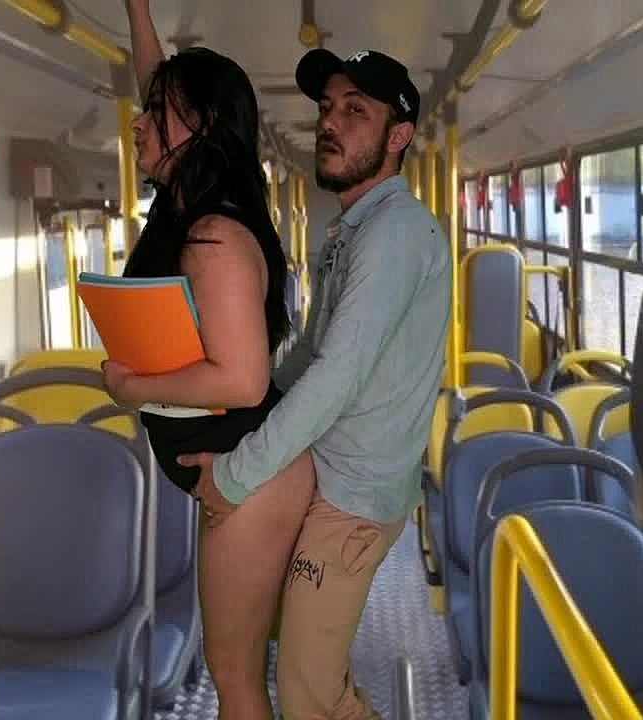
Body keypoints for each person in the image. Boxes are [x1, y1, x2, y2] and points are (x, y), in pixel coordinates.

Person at [177, 47, 452, 719]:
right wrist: (248, 411)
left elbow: (337, 375)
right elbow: (311, 353)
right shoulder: (353, 230)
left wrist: (236, 475)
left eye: (356, 111)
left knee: (309, 698)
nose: (330, 122)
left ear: (398, 136)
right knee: (308, 674)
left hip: (353, 500)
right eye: (328, 108)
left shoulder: (394, 233)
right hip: (327, 474)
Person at [101, 2, 317, 718]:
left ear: (201, 128)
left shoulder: (214, 236)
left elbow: (243, 379)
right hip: (239, 470)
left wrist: (133, 388)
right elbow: (152, 77)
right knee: (238, 673)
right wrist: (137, 9)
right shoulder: (185, 204)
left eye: (156, 114)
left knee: (237, 676)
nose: (137, 123)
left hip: (254, 478)